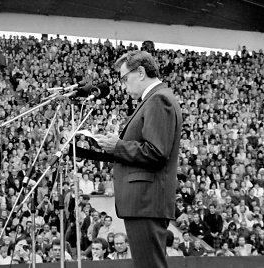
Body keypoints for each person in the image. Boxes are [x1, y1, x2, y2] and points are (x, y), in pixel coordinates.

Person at [79, 50, 182, 268]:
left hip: (146, 201)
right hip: (145, 201)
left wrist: (118, 145)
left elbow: (156, 152)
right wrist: (112, 146)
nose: (124, 85)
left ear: (141, 72)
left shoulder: (158, 100)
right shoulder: (155, 99)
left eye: (125, 78)